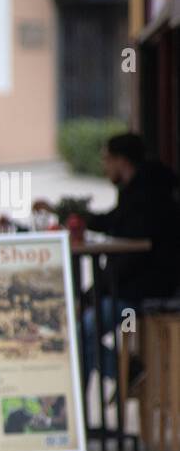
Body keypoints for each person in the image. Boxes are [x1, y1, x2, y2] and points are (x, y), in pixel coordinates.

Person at [73, 132, 180, 381]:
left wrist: (92, 296)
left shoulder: (148, 198)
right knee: (84, 324)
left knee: (84, 330)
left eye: (106, 159)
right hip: (133, 290)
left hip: (142, 298)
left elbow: (130, 261)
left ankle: (129, 373)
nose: (104, 166)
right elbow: (111, 221)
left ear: (121, 160)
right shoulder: (136, 191)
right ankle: (125, 373)